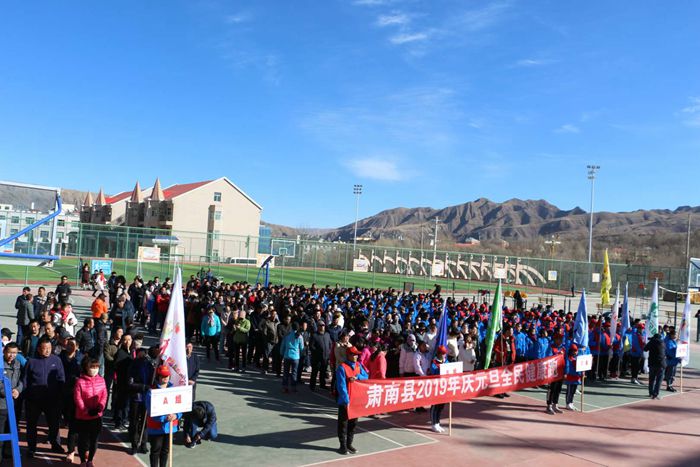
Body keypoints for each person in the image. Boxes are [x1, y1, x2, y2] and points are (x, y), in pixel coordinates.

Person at [23, 337, 66, 457]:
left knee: (54, 424)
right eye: (44, 348)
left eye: (49, 348)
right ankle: (31, 447)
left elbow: (61, 378)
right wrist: (27, 396)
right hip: (34, 400)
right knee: (31, 424)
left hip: (52, 399)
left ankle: (55, 444)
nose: (47, 350)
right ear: (38, 349)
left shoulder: (56, 360)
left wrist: (60, 396)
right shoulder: (31, 361)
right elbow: (25, 380)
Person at [146, 366, 182, 467]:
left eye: (166, 376)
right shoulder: (151, 392)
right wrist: (164, 418)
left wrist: (176, 415)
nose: (165, 378)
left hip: (170, 427)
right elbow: (151, 410)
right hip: (156, 427)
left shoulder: (174, 390)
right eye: (162, 376)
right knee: (155, 450)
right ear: (158, 376)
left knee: (165, 450)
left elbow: (180, 406)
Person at [74, 356, 107, 467]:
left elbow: (104, 395)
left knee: (94, 440)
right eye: (92, 367)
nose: (95, 369)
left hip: (97, 416)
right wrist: (86, 411)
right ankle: (83, 460)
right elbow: (78, 398)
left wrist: (100, 407)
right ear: (86, 368)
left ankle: (90, 460)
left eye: (97, 367)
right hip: (83, 417)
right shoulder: (80, 381)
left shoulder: (101, 380)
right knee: (82, 440)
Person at [335, 346, 368, 455]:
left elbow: (366, 376)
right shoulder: (342, 368)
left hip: (356, 400)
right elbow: (341, 386)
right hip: (345, 401)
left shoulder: (358, 365)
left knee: (353, 424)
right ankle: (342, 446)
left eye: (357, 355)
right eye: (354, 354)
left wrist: (357, 377)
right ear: (348, 355)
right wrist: (346, 401)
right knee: (343, 424)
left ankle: (349, 444)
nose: (356, 356)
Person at [128, 346, 155, 455]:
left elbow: (153, 378)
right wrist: (144, 387)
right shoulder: (133, 365)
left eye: (145, 353)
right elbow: (130, 383)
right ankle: (134, 445)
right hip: (136, 398)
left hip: (146, 398)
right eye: (141, 353)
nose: (143, 355)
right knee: (134, 422)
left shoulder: (149, 365)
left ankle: (143, 444)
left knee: (145, 422)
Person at [60, 338, 82, 462]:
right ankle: (54, 439)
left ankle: (74, 449)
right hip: (62, 391)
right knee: (60, 416)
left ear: (77, 347)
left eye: (73, 345)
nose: (70, 347)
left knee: (74, 423)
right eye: (68, 344)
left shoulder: (81, 359)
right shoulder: (60, 358)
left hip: (75, 394)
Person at [0, 343, 23, 461]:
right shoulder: (1, 365)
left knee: (10, 429)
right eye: (9, 352)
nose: (11, 355)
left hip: (13, 403)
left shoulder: (17, 364)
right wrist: (8, 392)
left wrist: (18, 390)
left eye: (14, 353)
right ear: (4, 351)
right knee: (1, 431)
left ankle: (5, 452)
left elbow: (21, 380)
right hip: (2, 404)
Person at [280, 322, 304, 393]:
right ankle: (293, 387)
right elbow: (301, 348)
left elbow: (283, 345)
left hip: (287, 355)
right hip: (296, 356)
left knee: (286, 372)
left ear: (291, 327)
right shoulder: (300, 336)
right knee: (294, 372)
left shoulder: (287, 335)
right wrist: (301, 354)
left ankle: (285, 387)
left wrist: (282, 353)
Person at [429, 345, 448, 433]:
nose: (444, 355)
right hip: (436, 387)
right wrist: (441, 368)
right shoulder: (434, 362)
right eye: (443, 354)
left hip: (444, 387)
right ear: (439, 354)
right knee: (435, 406)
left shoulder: (446, 361)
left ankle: (437, 422)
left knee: (441, 406)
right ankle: (433, 424)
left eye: (445, 354)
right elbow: (433, 372)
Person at [309, 321, 332, 391]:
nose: (322, 327)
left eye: (323, 325)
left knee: (323, 372)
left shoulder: (327, 335)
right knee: (314, 372)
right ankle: (312, 386)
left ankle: (322, 384)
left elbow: (330, 344)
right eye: (320, 325)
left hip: (325, 357)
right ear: (318, 326)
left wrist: (329, 352)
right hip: (317, 358)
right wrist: (317, 352)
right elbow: (311, 346)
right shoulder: (314, 335)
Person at [644, 333, 666, 400]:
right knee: (659, 380)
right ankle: (655, 394)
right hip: (661, 364)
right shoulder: (662, 343)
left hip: (652, 364)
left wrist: (649, 342)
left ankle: (651, 393)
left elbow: (645, 349)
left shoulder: (651, 342)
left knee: (651, 379)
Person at [564, 344, 581, 410]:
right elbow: (568, 367)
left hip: (576, 378)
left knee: (573, 391)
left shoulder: (578, 358)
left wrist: (581, 373)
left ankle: (571, 402)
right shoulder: (568, 358)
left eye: (576, 351)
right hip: (570, 377)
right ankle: (568, 403)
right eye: (574, 351)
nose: (575, 352)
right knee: (569, 391)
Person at [663, 327, 680, 392]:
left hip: (674, 360)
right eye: (675, 335)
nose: (676, 336)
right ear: (671, 335)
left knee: (672, 374)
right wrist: (677, 356)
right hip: (671, 361)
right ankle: (668, 386)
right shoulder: (668, 342)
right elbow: (670, 352)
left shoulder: (673, 341)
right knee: (670, 374)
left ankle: (670, 385)